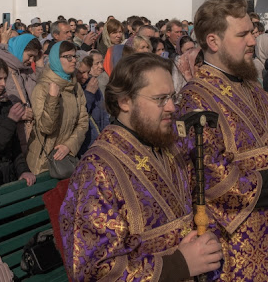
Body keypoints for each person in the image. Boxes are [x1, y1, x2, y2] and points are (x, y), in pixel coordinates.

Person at [176, 0, 268, 280]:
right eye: (243, 34)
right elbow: (210, 179)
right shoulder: (195, 98)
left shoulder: (255, 89)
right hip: (233, 252)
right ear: (213, 41)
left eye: (253, 31)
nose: (253, 40)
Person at [60, 53, 223, 281]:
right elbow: (94, 270)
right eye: (160, 99)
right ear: (125, 101)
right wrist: (180, 264)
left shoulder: (168, 144)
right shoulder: (97, 169)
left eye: (172, 96)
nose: (171, 107)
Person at [27, 41, 89, 175]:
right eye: (68, 57)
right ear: (56, 59)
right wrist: (53, 98)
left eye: (74, 56)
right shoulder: (42, 88)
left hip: (66, 159)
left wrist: (69, 146)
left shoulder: (75, 87)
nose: (73, 60)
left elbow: (83, 122)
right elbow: (46, 128)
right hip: (42, 162)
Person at [0, 57, 35, 187]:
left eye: (5, 78)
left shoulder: (5, 102)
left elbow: (14, 145)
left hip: (10, 174)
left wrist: (24, 170)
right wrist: (11, 120)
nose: (3, 84)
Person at [74, 55, 110, 156]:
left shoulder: (92, 83)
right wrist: (88, 94)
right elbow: (77, 115)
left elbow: (103, 114)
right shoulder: (71, 89)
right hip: (84, 145)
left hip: (99, 141)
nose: (85, 76)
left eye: (87, 72)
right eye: (81, 72)